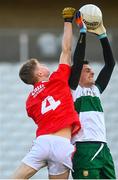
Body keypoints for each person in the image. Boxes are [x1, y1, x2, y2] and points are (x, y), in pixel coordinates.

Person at [11, 7, 81, 180]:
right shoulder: (58, 78)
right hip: (62, 143)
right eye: (40, 65)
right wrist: (67, 21)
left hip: (43, 142)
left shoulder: (29, 101)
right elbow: (66, 50)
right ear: (39, 74)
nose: (44, 66)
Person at [70, 11, 116, 179]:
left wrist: (102, 34)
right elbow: (78, 61)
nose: (92, 72)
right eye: (87, 70)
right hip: (84, 147)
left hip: (103, 148)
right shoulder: (74, 91)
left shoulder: (96, 89)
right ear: (77, 74)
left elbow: (110, 64)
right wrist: (82, 31)